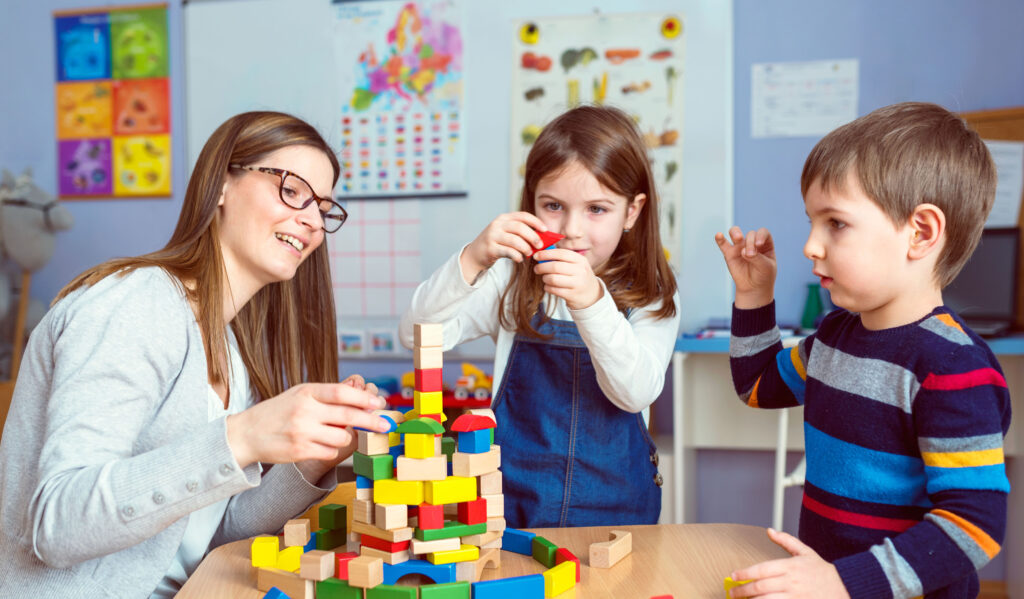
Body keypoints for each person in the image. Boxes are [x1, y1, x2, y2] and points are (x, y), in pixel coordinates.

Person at [0, 111, 392, 597]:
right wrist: (244, 436)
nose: (313, 221)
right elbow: (58, 524)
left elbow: (204, 539)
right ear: (222, 184)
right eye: (292, 190)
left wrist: (312, 460)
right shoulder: (134, 303)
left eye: (324, 208)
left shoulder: (229, 348)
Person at [715, 102, 1010, 599]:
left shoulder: (952, 367)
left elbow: (973, 525)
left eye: (836, 223)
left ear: (920, 232)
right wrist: (754, 297)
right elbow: (757, 386)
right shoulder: (835, 336)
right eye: (813, 222)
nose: (810, 245)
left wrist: (843, 581)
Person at [399, 105, 680, 528]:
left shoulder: (653, 291)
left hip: (619, 516)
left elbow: (635, 393)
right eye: (553, 205)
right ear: (531, 200)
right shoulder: (510, 279)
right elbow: (416, 334)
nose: (571, 229)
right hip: (510, 511)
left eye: (597, 209)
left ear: (633, 212)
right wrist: (473, 259)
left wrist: (591, 302)